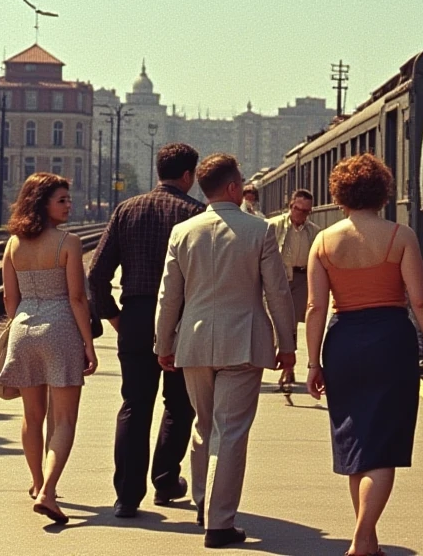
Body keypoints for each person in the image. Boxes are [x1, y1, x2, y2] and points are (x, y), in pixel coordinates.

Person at [305, 154, 423, 556]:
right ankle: (363, 537)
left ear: (341, 193)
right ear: (381, 192)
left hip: (344, 341)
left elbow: (315, 308)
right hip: (391, 341)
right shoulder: (399, 236)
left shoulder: (324, 241)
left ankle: (368, 539)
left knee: (356, 443)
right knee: (382, 444)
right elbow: (420, 299)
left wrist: (314, 361)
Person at [155, 154, 296, 548]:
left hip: (195, 342)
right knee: (231, 432)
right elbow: (278, 293)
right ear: (233, 188)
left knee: (204, 425)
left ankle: (204, 501)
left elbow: (169, 297)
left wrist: (163, 344)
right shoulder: (260, 231)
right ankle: (219, 523)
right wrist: (288, 346)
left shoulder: (183, 232)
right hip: (243, 342)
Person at [88, 142, 204, 518]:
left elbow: (97, 276)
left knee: (135, 406)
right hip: (183, 321)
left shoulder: (126, 210)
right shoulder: (195, 215)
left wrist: (116, 317)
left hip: (136, 316)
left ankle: (126, 497)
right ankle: (166, 482)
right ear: (187, 176)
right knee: (179, 405)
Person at [0, 173, 98, 525]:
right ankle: (49, 492)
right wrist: (88, 343)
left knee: (32, 415)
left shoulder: (14, 244)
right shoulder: (68, 243)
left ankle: (37, 481)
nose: (69, 205)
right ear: (42, 202)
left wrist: (23, 323)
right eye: (62, 200)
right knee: (65, 418)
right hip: (60, 329)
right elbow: (76, 297)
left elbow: (10, 298)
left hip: (24, 328)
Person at [268, 189, 319, 392]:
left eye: (306, 211)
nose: (301, 215)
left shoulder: (313, 231)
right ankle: (283, 361)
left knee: (292, 321)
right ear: (291, 207)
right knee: (279, 320)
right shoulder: (274, 226)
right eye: (298, 209)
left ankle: (288, 365)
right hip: (279, 278)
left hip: (301, 278)